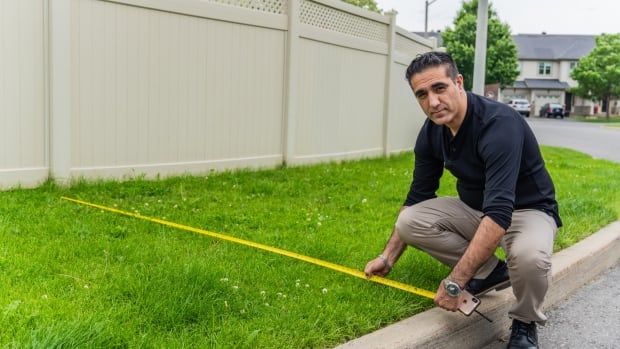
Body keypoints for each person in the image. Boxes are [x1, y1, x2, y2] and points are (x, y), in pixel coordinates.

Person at [364, 52, 561, 349]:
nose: (432, 102)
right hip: (476, 209)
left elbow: (498, 214)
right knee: (410, 220)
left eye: (439, 88)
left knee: (530, 258)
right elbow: (418, 196)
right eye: (422, 94)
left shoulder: (499, 124)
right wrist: (387, 258)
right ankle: (492, 271)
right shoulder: (432, 132)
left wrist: (455, 282)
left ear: (458, 82)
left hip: (528, 211)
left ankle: (525, 323)